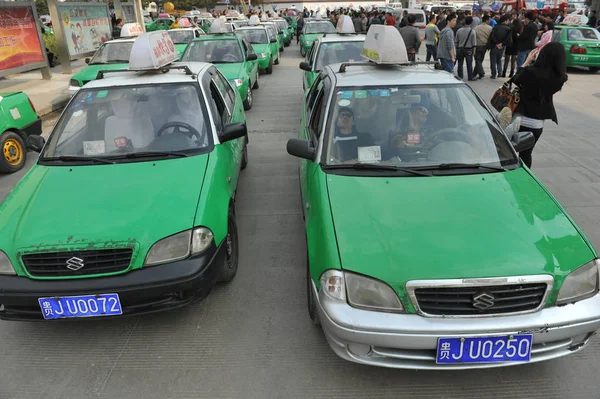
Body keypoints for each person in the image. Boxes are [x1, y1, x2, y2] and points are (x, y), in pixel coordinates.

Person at [512, 43, 567, 168]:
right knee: (526, 154)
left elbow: (515, 80)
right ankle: (525, 180)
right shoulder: (560, 79)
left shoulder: (531, 72)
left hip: (518, 120)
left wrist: (526, 62)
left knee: (506, 153)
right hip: (537, 125)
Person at [455, 16, 476, 81]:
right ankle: (470, 77)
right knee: (469, 64)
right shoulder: (472, 31)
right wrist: (474, 51)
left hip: (460, 49)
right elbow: (474, 44)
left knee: (460, 64)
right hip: (469, 49)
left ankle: (460, 77)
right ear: (471, 23)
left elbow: (456, 41)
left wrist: (456, 49)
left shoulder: (459, 30)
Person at [473, 14, 492, 80]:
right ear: (486, 20)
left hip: (477, 45)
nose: (489, 21)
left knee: (478, 60)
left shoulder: (476, 28)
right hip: (485, 46)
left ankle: (480, 72)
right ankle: (475, 73)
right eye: (489, 20)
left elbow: (474, 37)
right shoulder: (490, 28)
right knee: (480, 60)